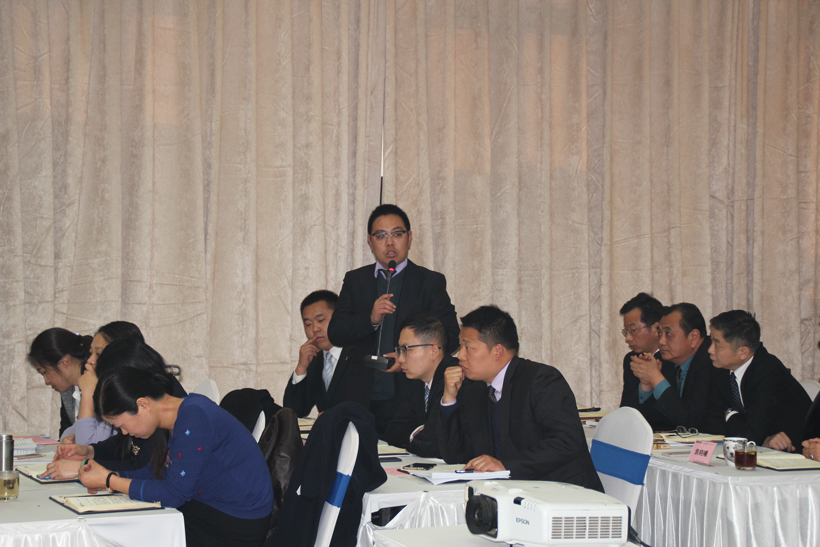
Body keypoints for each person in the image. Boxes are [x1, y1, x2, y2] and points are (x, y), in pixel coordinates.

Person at [79, 344, 273, 547]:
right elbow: (155, 472)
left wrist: (109, 480)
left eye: (121, 425)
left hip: (235, 522)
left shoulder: (194, 417)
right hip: (208, 509)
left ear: (143, 405)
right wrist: (111, 477)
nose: (125, 433)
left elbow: (174, 494)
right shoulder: (171, 417)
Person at [437, 305, 602, 490]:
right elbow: (457, 456)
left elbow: (567, 441)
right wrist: (449, 399)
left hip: (564, 492)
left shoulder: (541, 380)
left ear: (497, 351)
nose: (460, 356)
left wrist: (506, 466)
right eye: (461, 347)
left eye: (468, 347)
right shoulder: (476, 391)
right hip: (510, 492)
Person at [327, 204, 459, 435]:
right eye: (381, 236)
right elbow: (336, 332)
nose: (389, 243)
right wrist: (371, 319)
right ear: (370, 241)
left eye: (397, 234)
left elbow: (450, 336)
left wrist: (410, 359)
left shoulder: (429, 282)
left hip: (409, 395)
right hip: (360, 394)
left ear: (409, 238)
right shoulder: (356, 280)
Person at [44, 338, 186, 480]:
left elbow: (146, 470)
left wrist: (86, 466)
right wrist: (89, 451)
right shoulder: (146, 408)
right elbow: (125, 445)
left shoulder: (168, 413)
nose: (90, 362)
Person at [705, 310, 811, 450]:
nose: (710, 350)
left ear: (743, 352)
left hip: (799, 451)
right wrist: (757, 438)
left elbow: (751, 433)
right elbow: (711, 423)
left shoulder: (768, 372)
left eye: (717, 345)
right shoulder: (720, 368)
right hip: (757, 449)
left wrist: (728, 413)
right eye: (711, 341)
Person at [384, 313, 463, 457]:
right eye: (399, 350)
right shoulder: (417, 382)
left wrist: (420, 436)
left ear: (433, 351)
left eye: (406, 349)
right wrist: (416, 433)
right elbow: (393, 430)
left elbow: (431, 444)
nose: (400, 359)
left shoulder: (454, 379)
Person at [627, 303, 715, 431]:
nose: (661, 341)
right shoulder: (665, 360)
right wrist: (647, 385)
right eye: (660, 333)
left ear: (694, 337)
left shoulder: (712, 362)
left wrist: (656, 378)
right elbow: (647, 422)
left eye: (668, 334)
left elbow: (691, 422)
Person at [61, 321, 147, 445]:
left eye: (99, 354)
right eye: (91, 353)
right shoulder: (106, 389)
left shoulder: (128, 394)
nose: (89, 361)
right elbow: (71, 431)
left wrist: (88, 394)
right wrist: (71, 438)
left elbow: (86, 444)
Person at [282, 291, 362, 417]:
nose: (315, 329)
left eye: (321, 320)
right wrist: (301, 368)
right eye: (308, 324)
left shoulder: (360, 353)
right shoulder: (314, 361)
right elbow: (294, 411)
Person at [618, 293, 676, 428]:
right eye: (626, 332)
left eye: (633, 330)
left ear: (656, 328)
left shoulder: (673, 359)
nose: (628, 338)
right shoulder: (631, 360)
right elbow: (627, 409)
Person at [27, 328, 92, 438]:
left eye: (44, 372)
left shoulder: (100, 386)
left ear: (64, 362)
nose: (46, 381)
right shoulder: (68, 389)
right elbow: (65, 432)